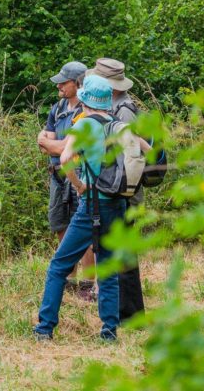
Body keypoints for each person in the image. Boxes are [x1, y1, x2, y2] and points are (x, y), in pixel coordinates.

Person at [34, 74, 127, 342]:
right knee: (107, 267)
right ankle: (109, 331)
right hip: (117, 203)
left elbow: (65, 159)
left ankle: (45, 328)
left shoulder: (84, 125)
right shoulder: (116, 125)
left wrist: (78, 185)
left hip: (92, 204)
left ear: (85, 100)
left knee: (59, 265)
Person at [88, 57, 145, 322]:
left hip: (124, 192)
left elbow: (133, 157)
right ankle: (127, 310)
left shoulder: (123, 112)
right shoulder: (119, 106)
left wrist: (121, 191)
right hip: (121, 189)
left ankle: (128, 313)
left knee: (123, 254)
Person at [36, 61, 96, 300]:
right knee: (60, 225)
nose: (59, 85)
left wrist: (54, 146)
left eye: (64, 82)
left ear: (77, 83)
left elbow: (58, 145)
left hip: (80, 175)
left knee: (85, 228)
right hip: (57, 176)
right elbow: (47, 143)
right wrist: (55, 146)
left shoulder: (87, 110)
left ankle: (87, 283)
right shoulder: (58, 108)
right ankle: (69, 279)